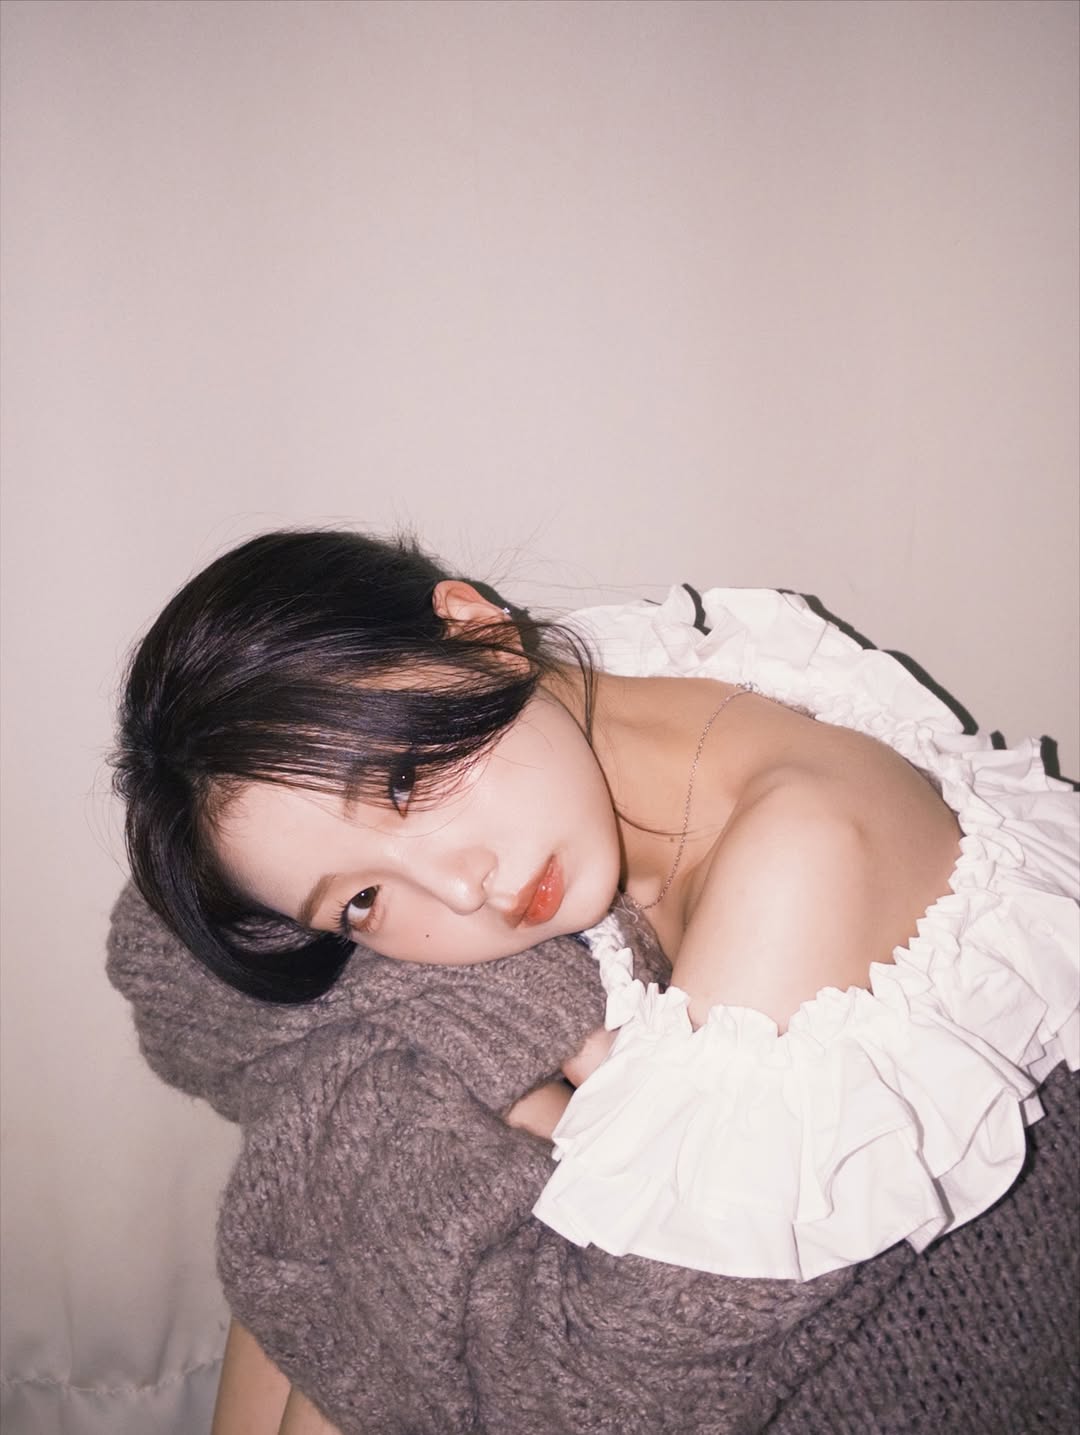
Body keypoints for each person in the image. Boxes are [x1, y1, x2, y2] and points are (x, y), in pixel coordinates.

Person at [112, 527, 1078, 1431]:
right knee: (344, 1151)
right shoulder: (586, 692)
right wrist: (532, 1041)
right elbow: (168, 966)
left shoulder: (800, 858)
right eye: (361, 898)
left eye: (402, 782)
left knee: (344, 1201)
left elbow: (596, 1399)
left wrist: (522, 1106)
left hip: (927, 1369)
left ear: (476, 629)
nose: (459, 887)